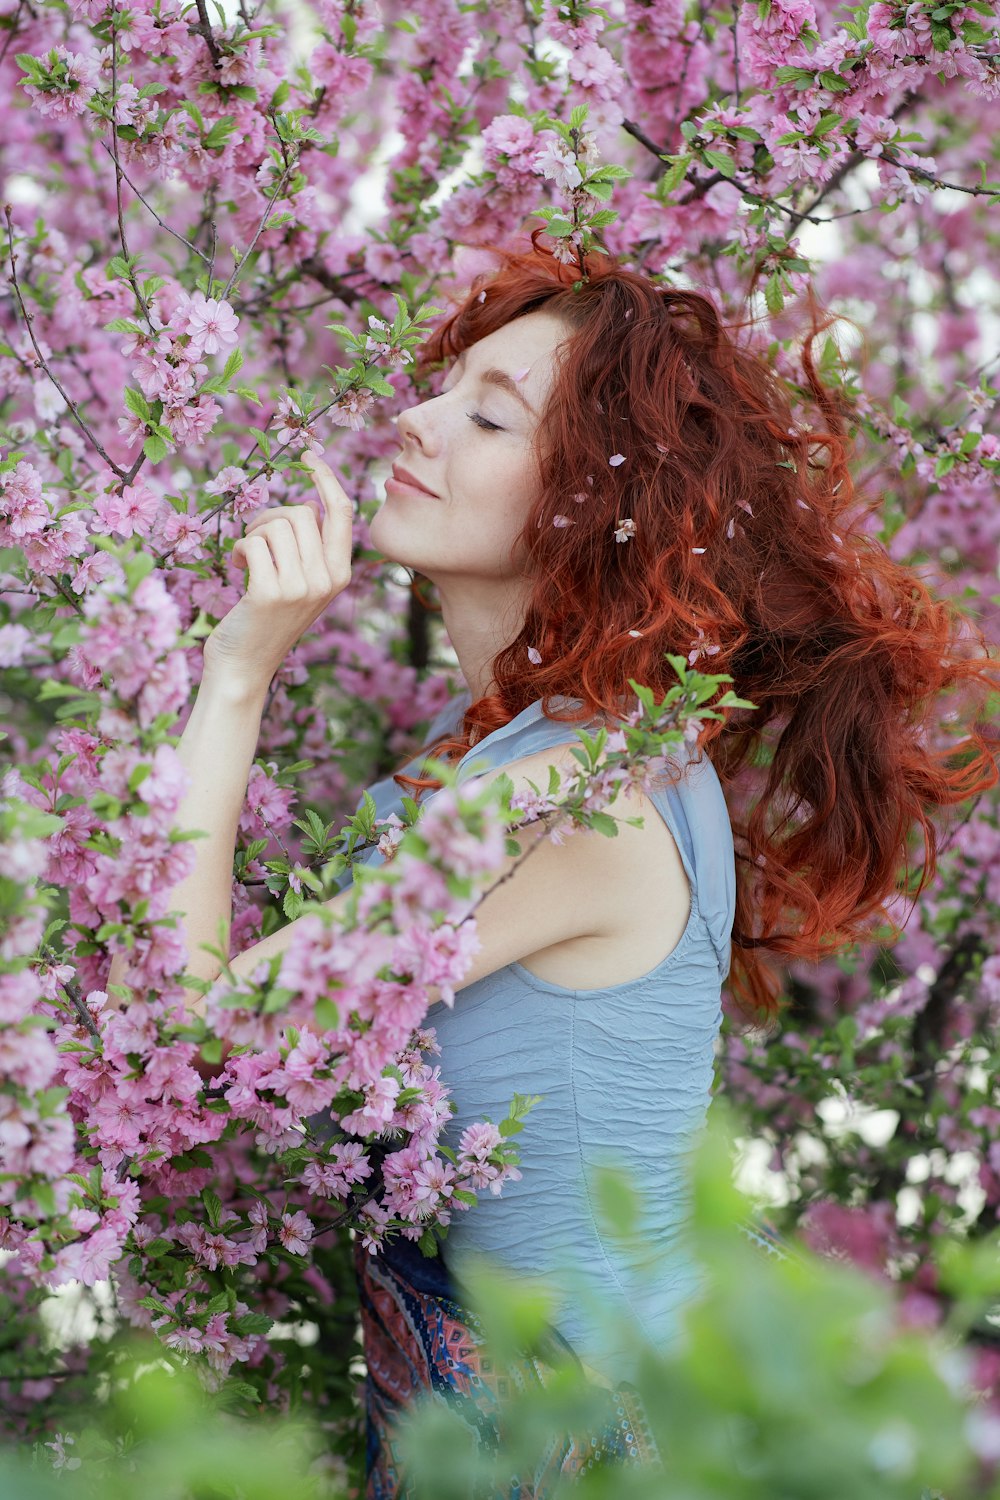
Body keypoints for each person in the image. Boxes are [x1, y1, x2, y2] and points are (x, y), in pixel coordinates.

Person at [109, 236, 997, 1497]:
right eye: (442, 387)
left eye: (487, 413)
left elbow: (192, 1038)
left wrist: (239, 671)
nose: (413, 422)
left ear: (592, 495)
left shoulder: (570, 796)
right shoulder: (526, 764)